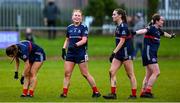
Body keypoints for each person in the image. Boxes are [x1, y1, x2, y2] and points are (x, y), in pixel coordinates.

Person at [132, 13, 176, 98]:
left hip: (151, 54)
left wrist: (171, 36)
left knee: (148, 75)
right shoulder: (151, 28)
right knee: (156, 72)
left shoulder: (158, 30)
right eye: (161, 20)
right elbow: (144, 30)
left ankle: (143, 92)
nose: (163, 22)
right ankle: (147, 91)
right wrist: (134, 32)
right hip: (149, 53)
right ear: (156, 21)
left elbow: (164, 33)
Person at [60, 9, 101, 98]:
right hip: (70, 53)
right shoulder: (69, 27)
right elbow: (67, 39)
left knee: (85, 74)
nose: (77, 17)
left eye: (79, 16)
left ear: (81, 18)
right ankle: (64, 93)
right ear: (72, 17)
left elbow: (84, 40)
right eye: (75, 15)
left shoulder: (83, 27)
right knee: (67, 73)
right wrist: (63, 49)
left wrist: (75, 45)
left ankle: (96, 92)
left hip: (80, 53)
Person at [103, 8, 137, 99]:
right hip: (119, 53)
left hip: (126, 53)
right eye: (112, 14)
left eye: (114, 14)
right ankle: (113, 94)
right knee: (111, 72)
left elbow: (122, 41)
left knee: (130, 74)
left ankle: (133, 95)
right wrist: (115, 53)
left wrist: (113, 53)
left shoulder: (123, 26)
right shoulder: (118, 26)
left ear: (120, 16)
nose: (112, 16)